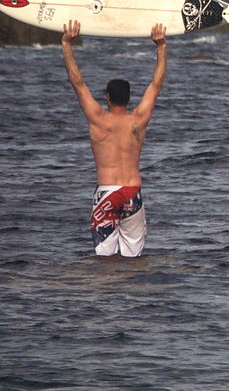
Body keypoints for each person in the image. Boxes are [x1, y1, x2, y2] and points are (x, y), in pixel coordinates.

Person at [61, 19, 166, 257]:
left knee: (104, 260)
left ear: (107, 97)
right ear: (130, 98)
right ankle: (133, 293)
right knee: (134, 259)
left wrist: (67, 44)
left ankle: (109, 293)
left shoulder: (98, 119)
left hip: (107, 192)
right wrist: (161, 46)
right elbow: (156, 84)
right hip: (131, 191)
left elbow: (77, 83)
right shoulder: (138, 120)